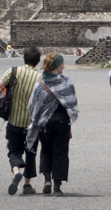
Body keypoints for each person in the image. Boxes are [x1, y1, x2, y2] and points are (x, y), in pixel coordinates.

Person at [25, 52, 78, 196]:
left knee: (46, 150)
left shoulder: (40, 83)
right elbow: (72, 103)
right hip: (61, 122)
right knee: (60, 152)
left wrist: (36, 118)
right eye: (61, 64)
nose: (63, 66)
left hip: (44, 123)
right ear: (56, 66)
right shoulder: (66, 82)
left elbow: (32, 104)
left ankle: (47, 179)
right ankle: (57, 187)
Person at [0, 46, 41, 195]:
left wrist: (4, 100)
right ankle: (27, 185)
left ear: (24, 58)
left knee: (14, 151)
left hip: (14, 120)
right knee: (31, 152)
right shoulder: (40, 77)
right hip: (32, 123)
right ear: (37, 61)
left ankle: (16, 172)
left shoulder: (13, 71)